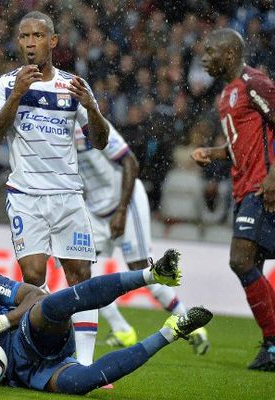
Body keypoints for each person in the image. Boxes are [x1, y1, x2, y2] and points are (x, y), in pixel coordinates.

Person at [0, 251, 212, 394]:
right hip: (27, 376)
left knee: (52, 305)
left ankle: (152, 274)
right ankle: (170, 332)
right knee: (81, 384)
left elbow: (33, 296)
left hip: (28, 339)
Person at [0, 11, 110, 366]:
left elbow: (100, 141)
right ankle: (48, 342)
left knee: (80, 276)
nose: (29, 43)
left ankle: (84, 364)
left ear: (52, 42)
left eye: (37, 36)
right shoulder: (4, 84)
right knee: (34, 276)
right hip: (25, 195)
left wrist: (92, 109)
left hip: (68, 195)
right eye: (24, 37)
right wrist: (18, 95)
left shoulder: (73, 86)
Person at [75, 121, 210, 354]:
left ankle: (190, 323)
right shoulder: (56, 129)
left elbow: (131, 163)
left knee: (142, 267)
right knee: (81, 270)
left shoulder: (93, 124)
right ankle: (121, 329)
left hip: (124, 202)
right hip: (94, 210)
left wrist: (120, 210)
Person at [191, 28, 275, 371]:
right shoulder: (226, 95)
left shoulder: (254, 82)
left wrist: (274, 175)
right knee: (253, 264)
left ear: (229, 54)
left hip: (262, 188)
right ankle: (271, 347)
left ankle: (272, 341)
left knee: (240, 260)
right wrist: (214, 153)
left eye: (210, 52)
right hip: (245, 190)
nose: (204, 57)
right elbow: (244, 144)